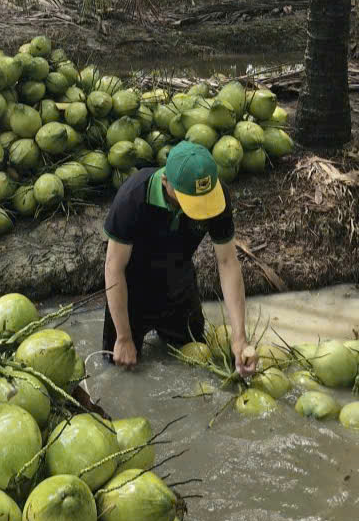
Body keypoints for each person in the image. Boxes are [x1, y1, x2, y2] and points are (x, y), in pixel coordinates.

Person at [102, 141, 257, 377]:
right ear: (166, 182)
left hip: (178, 282)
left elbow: (227, 263)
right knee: (119, 368)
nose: (201, 209)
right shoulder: (133, 197)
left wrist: (240, 338)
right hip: (132, 289)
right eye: (192, 202)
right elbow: (114, 267)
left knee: (193, 357)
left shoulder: (216, 197)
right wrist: (123, 337)